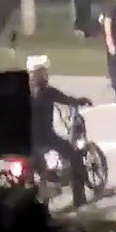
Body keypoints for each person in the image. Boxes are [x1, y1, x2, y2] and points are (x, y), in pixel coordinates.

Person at [27, 55, 92, 208]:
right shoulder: (47, 91)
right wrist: (81, 100)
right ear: (40, 74)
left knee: (31, 171)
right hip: (46, 137)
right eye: (44, 72)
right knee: (74, 155)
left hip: (29, 141)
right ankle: (79, 199)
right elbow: (69, 100)